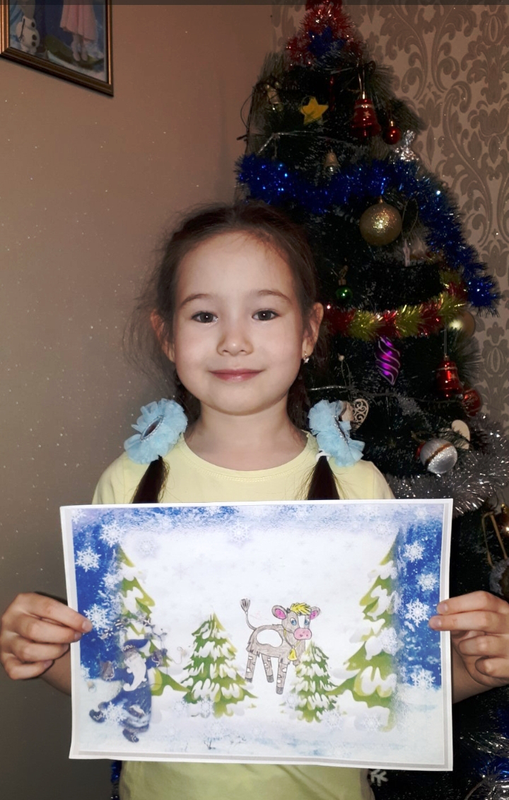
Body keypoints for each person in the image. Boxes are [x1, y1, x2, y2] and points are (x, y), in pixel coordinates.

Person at [2, 201, 509, 800]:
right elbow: (118, 682)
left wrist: (475, 670)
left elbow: (385, 685)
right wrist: (45, 654)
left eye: (264, 312)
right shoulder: (126, 486)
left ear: (309, 331)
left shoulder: (360, 487)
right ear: (167, 336)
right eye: (204, 315)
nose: (234, 341)